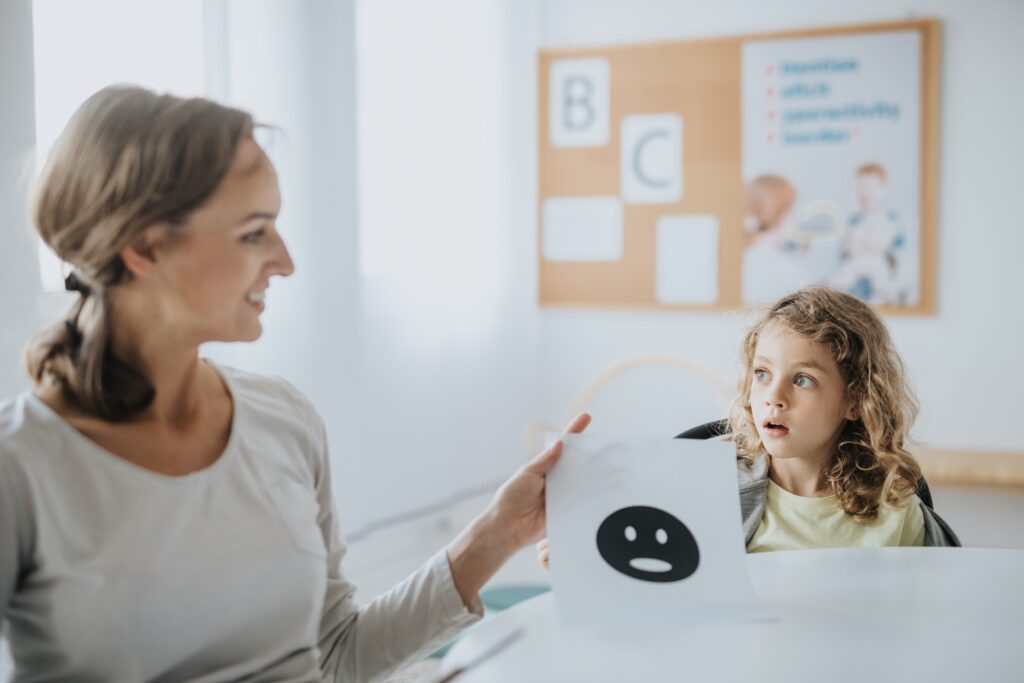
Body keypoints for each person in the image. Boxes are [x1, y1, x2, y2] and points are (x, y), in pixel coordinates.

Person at [0, 85, 590, 682]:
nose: (284, 261)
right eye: (255, 232)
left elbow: (335, 655)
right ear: (144, 246)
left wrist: (500, 532)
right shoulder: (20, 467)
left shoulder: (282, 419)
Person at [537, 286, 957, 567]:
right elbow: (651, 571)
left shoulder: (896, 509)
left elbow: (943, 603)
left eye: (803, 379)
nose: (774, 397)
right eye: (761, 374)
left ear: (854, 399)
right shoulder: (706, 483)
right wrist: (587, 557)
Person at [831, 163, 907, 305]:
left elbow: (897, 254)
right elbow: (844, 253)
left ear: (883, 189)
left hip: (879, 270)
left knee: (882, 280)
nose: (864, 193)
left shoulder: (891, 221)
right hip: (854, 275)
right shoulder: (853, 222)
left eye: (869, 188)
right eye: (860, 188)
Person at [740, 175, 814, 304]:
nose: (795, 217)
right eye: (791, 209)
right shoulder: (788, 270)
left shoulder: (740, 257)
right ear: (780, 215)